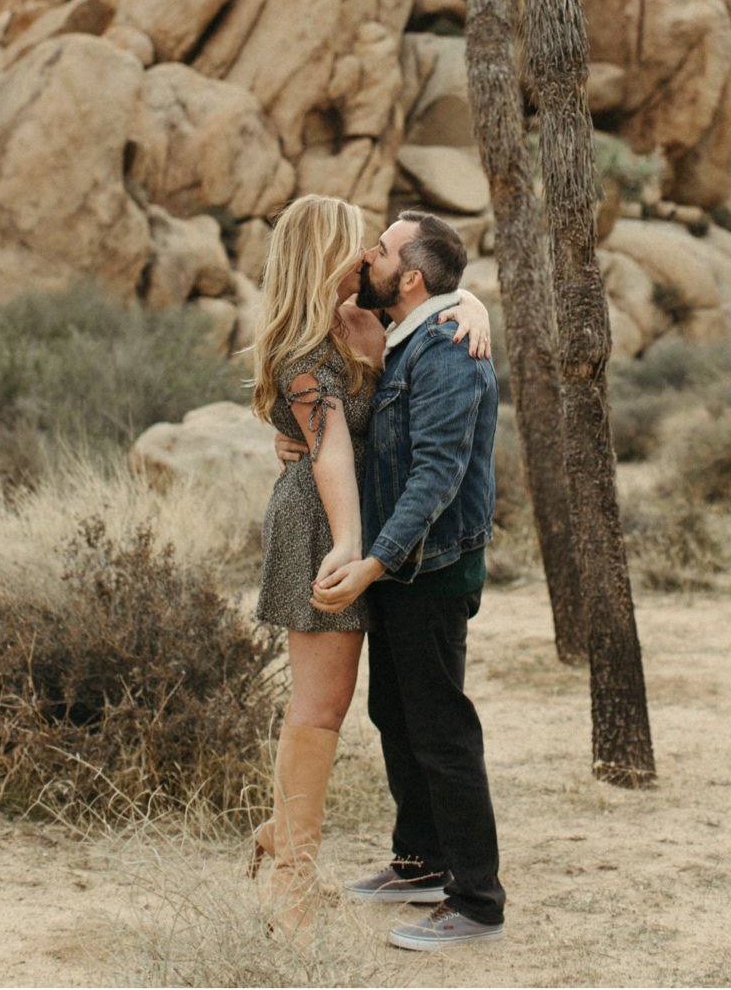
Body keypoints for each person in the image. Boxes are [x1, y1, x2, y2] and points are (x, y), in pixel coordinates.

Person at [246, 196, 489, 930]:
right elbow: (329, 453)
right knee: (321, 705)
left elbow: (425, 294)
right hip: (323, 525)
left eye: (374, 248)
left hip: (372, 532)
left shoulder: (369, 318)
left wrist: (470, 300)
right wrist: (353, 547)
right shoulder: (303, 346)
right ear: (325, 256)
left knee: (372, 704)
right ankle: (290, 877)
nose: (366, 256)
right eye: (357, 246)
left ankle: (281, 840)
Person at [308, 210, 507, 951]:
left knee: (442, 729)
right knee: (397, 714)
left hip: (428, 566)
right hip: (399, 565)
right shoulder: (415, 332)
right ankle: (421, 860)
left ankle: (477, 901)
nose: (368, 255)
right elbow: (333, 289)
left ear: (412, 276)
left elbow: (438, 473)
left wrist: (374, 560)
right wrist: (468, 294)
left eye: (383, 249)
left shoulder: (451, 347)